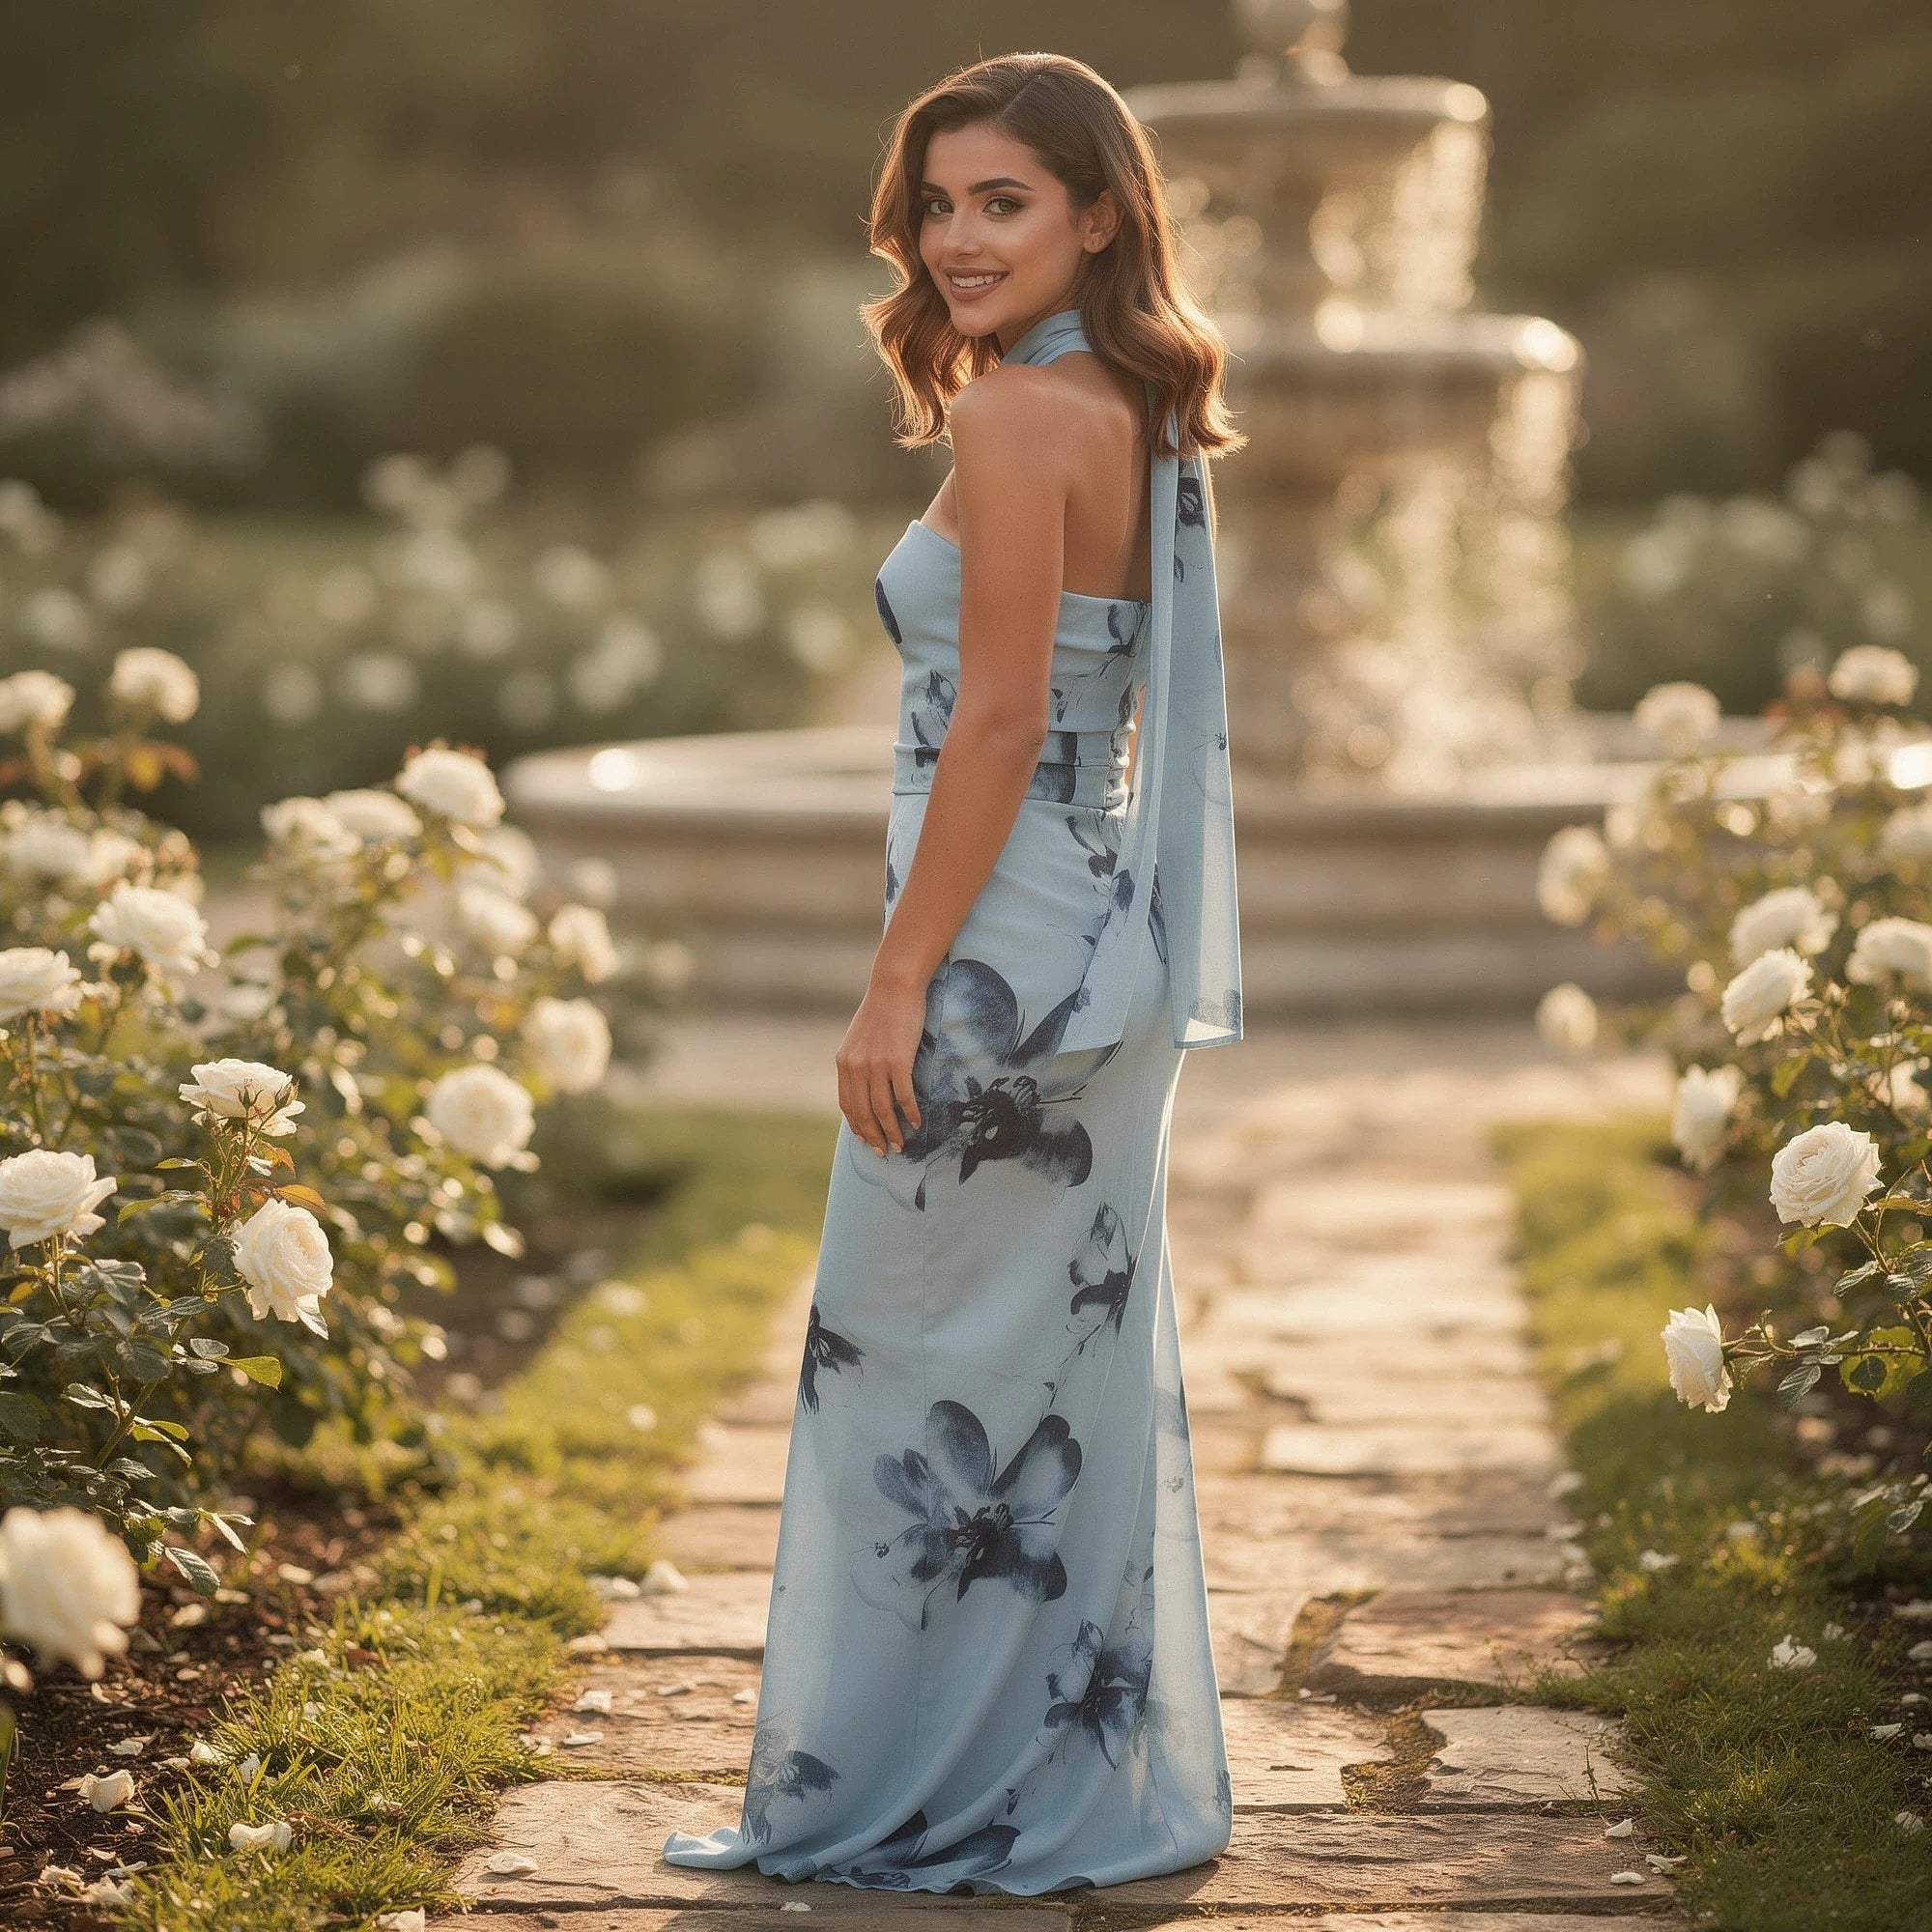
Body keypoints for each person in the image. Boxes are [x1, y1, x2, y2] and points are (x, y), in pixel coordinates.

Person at [662, 49, 1245, 1895]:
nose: (961, 237)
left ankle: (902, 1797)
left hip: (991, 964)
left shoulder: (1010, 421)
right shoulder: (1139, 406)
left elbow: (997, 721)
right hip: (1095, 942)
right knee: (1041, 1396)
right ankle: (1041, 1778)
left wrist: (893, 986)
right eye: (940, 202)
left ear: (1098, 214)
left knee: (904, 1385)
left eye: (1007, 201)